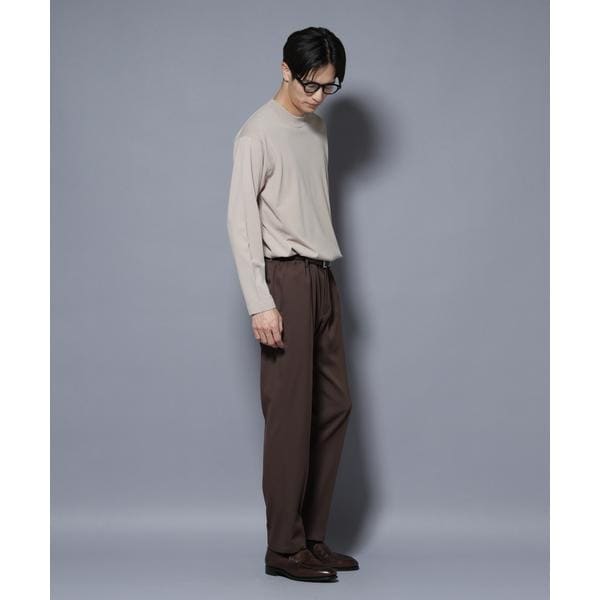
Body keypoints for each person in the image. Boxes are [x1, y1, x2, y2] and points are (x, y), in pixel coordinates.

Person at [226, 26, 359, 583]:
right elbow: (241, 222)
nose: (318, 96)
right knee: (289, 418)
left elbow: (309, 206)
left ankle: (312, 538)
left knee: (333, 407)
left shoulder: (317, 129)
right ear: (285, 69)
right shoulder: (256, 134)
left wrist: (327, 284)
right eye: (311, 85)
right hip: (283, 281)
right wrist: (260, 302)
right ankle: (283, 548)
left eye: (329, 87)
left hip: (322, 278)